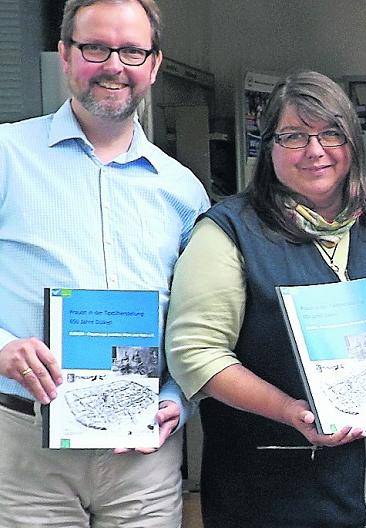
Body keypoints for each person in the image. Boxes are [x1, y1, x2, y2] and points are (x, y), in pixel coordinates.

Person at [165, 71, 366, 527]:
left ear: (353, 142)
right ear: (267, 145)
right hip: (271, 493)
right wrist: (290, 411)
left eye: (331, 133)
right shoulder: (230, 232)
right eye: (294, 136)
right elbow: (195, 354)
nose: (315, 150)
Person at [0, 0, 209, 526]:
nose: (114, 66)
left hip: (144, 456)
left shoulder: (183, 190)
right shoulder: (6, 155)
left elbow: (199, 318)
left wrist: (177, 397)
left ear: (153, 65)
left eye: (132, 51)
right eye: (95, 47)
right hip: (25, 450)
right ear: (65, 55)